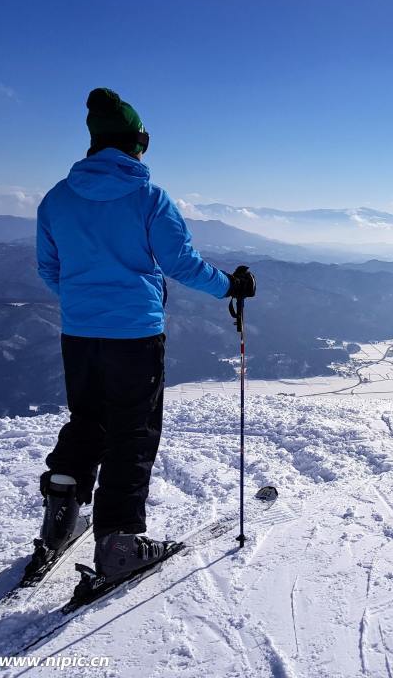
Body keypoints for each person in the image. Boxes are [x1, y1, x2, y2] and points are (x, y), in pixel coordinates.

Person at [35, 87, 255, 581]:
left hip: (79, 331)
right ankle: (118, 542)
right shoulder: (147, 197)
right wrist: (230, 287)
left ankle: (61, 518)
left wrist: (84, 300)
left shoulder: (56, 198)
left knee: (87, 420)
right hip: (134, 333)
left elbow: (51, 269)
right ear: (137, 143)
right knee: (132, 430)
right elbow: (180, 263)